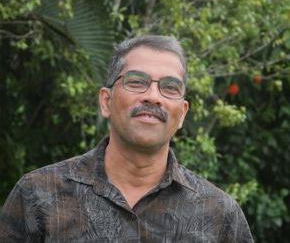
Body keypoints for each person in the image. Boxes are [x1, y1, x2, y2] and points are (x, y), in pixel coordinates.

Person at [0, 35, 254, 242]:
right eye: (136, 82)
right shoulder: (38, 195)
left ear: (182, 114)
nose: (153, 96)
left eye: (169, 87)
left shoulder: (220, 215)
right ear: (106, 101)